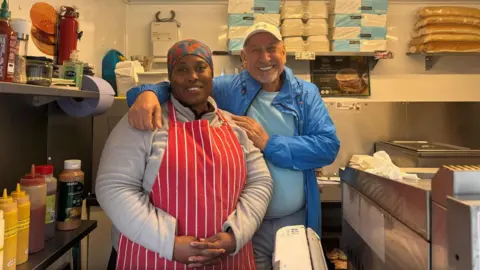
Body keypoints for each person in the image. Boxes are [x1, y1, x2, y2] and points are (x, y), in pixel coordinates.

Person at [126, 22, 340, 269]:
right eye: (255, 51)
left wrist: (269, 143)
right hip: (245, 224)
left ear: (284, 52)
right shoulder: (229, 89)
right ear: (243, 57)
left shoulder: (306, 93)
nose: (265, 57)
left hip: (294, 218)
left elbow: (328, 146)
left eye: (271, 49)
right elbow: (186, 84)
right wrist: (148, 93)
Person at [96, 39, 273, 270]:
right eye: (182, 70)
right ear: (170, 79)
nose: (192, 76)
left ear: (212, 75)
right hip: (153, 258)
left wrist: (234, 235)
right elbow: (113, 187)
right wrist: (168, 243)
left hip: (228, 259)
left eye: (200, 68)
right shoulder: (144, 121)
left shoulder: (235, 128)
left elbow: (261, 182)